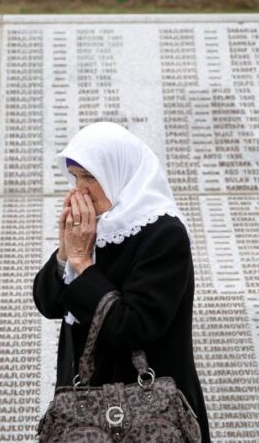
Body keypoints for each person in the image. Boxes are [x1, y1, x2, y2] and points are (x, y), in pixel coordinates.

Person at [32, 121, 211, 442]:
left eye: (90, 177)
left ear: (119, 173)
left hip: (152, 412)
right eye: (75, 177)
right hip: (87, 410)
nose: (79, 189)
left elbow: (135, 326)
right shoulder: (97, 228)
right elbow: (48, 304)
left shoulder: (164, 233)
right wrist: (64, 252)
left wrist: (84, 265)